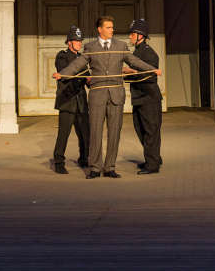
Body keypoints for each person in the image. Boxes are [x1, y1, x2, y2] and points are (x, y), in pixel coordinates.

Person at [53, 16, 159, 178]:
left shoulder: (121, 46)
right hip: (97, 95)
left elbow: (134, 61)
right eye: (108, 27)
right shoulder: (91, 47)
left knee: (114, 132)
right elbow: (77, 65)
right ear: (100, 29)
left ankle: (110, 167)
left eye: (112, 27)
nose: (112, 30)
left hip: (116, 94)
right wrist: (62, 74)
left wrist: (151, 69)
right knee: (95, 132)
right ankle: (95, 167)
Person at [125, 19, 163, 175]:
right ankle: (153, 158)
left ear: (140, 35)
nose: (130, 37)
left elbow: (150, 75)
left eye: (132, 34)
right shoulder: (138, 52)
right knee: (140, 130)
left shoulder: (148, 52)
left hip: (149, 98)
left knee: (150, 132)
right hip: (139, 98)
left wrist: (131, 73)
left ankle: (152, 165)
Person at [52, 26, 89, 174]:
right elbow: (66, 72)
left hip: (80, 100)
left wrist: (91, 80)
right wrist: (83, 74)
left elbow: (86, 77)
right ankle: (59, 161)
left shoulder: (82, 58)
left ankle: (84, 158)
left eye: (80, 41)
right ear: (69, 43)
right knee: (64, 133)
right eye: (76, 41)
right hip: (67, 100)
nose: (79, 43)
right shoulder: (62, 56)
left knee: (85, 133)